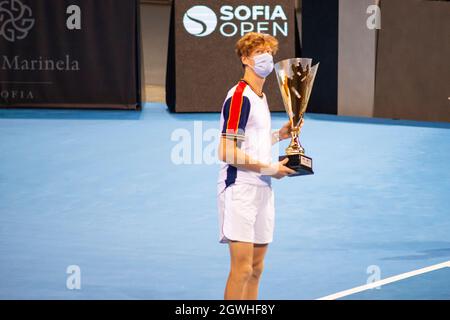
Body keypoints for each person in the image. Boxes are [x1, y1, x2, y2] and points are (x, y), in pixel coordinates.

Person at [217, 32, 304, 300]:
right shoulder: (239, 96)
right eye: (259, 53)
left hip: (263, 191)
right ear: (245, 59)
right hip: (239, 190)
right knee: (241, 269)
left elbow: (252, 142)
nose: (266, 57)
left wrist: (280, 135)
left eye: (269, 52)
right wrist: (270, 169)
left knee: (256, 268)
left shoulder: (261, 97)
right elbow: (227, 151)